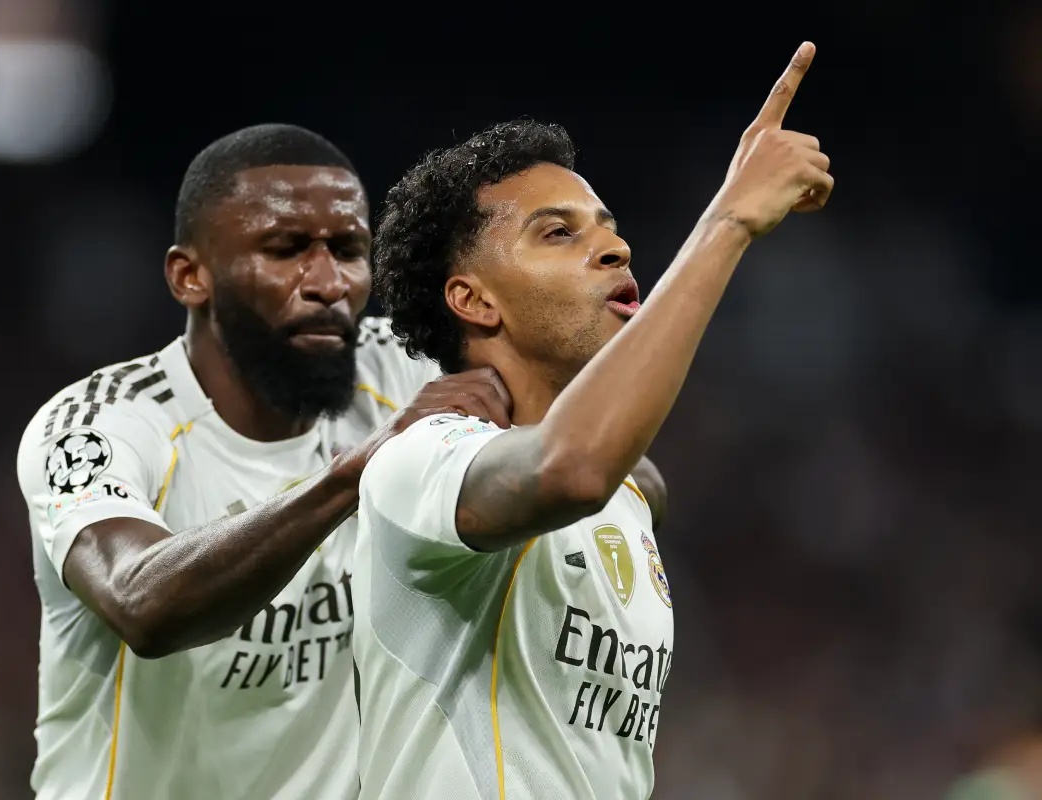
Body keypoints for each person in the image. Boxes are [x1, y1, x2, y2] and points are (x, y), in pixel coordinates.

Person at [351, 43, 832, 799]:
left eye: (606, 227)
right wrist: (728, 220)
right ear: (475, 300)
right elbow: (568, 469)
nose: (616, 246)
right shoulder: (420, 463)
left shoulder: (630, 498)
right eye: (558, 233)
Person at [15, 124, 512, 800]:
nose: (327, 283)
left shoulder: (399, 371)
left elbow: (606, 472)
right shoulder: (101, 426)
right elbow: (142, 605)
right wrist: (354, 473)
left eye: (348, 250)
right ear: (190, 276)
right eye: (285, 251)